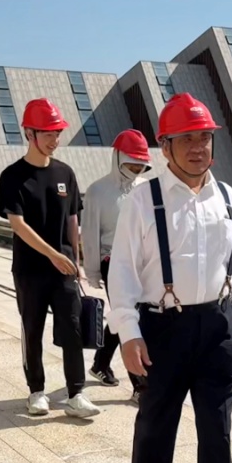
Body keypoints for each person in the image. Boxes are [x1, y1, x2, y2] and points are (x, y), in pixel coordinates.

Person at [108, 93, 232, 463]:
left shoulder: (227, 196)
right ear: (165, 146)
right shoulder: (142, 199)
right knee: (157, 423)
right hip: (162, 330)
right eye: (186, 138)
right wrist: (128, 333)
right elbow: (122, 271)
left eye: (204, 137)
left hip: (218, 328)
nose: (198, 147)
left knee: (218, 436)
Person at [0, 98, 100, 419]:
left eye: (57, 133)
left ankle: (76, 393)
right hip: (29, 269)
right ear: (29, 133)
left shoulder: (65, 173)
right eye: (48, 133)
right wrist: (52, 254)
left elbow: (72, 219)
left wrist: (76, 261)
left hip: (64, 269)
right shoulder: (12, 176)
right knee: (32, 330)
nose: (55, 140)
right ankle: (36, 392)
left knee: (73, 329)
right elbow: (17, 224)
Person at [81, 129, 152, 396]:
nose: (136, 170)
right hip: (112, 261)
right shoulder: (97, 191)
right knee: (130, 318)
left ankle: (100, 363)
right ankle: (141, 387)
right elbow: (89, 234)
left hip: (142, 262)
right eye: (131, 164)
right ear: (118, 158)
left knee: (127, 316)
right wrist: (92, 271)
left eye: (140, 165)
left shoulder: (145, 188)